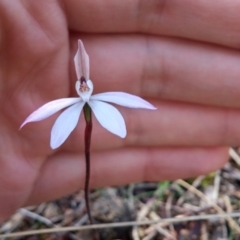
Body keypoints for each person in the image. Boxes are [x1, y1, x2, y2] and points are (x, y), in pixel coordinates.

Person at [0, 0, 237, 222]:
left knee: (92, 141)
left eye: (86, 83)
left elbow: (135, 102)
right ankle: (90, 222)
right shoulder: (66, 106)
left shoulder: (104, 100)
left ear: (89, 84)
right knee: (83, 147)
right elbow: (38, 114)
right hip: (77, 107)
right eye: (81, 84)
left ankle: (93, 224)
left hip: (96, 104)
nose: (83, 85)